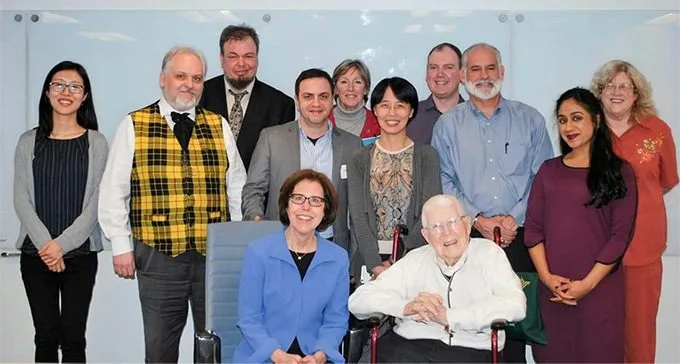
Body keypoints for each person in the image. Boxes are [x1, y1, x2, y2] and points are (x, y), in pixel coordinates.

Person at [98, 46, 246, 362]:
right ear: (162, 78)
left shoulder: (219, 125)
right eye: (181, 76)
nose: (188, 84)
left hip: (214, 258)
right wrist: (121, 245)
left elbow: (237, 189)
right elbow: (114, 190)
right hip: (158, 256)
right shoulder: (134, 124)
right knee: (160, 348)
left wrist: (236, 248)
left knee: (215, 347)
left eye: (196, 78)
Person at [430, 42, 553, 362]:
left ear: (502, 72)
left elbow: (543, 179)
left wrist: (514, 218)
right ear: (463, 75)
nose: (483, 76)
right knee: (469, 323)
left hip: (521, 237)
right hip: (468, 239)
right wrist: (477, 219)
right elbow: (443, 181)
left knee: (515, 326)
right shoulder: (448, 125)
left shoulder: (531, 119)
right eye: (475, 69)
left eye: (490, 68)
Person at [524, 87, 638, 363]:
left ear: (596, 120)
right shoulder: (548, 171)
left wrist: (586, 285)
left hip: (600, 292)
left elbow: (620, 236)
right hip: (553, 291)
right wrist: (548, 278)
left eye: (577, 118)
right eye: (562, 120)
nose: (568, 127)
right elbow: (533, 230)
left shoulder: (619, 172)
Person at [349, 194, 526, 363]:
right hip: (410, 345)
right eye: (436, 227)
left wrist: (450, 317)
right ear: (426, 236)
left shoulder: (489, 254)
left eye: (452, 222)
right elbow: (358, 301)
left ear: (466, 224)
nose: (447, 233)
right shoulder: (415, 259)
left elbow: (515, 305)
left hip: (471, 347)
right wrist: (405, 306)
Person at [13, 60, 108, 363]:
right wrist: (47, 246)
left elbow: (96, 202)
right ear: (47, 91)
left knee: (73, 339)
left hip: (80, 256)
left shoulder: (96, 142)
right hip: (36, 255)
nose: (66, 92)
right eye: (59, 85)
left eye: (75, 87)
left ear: (85, 96)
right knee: (44, 337)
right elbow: (21, 199)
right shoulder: (29, 141)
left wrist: (62, 245)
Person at [591, 60, 678, 363]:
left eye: (624, 86)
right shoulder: (587, 129)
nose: (616, 92)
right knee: (598, 332)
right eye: (609, 86)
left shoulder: (658, 131)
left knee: (640, 334)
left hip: (643, 248)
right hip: (594, 249)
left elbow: (666, 181)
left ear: (636, 93)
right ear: (599, 93)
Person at [234, 169, 349, 364]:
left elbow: (336, 321)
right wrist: (278, 356)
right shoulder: (259, 253)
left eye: (315, 200)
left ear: (325, 210)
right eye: (298, 198)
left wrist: (320, 355)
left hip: (314, 357)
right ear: (287, 205)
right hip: (265, 357)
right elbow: (249, 319)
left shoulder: (338, 258)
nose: (306, 207)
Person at [242, 68, 361, 251]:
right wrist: (258, 223)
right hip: (280, 243)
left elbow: (358, 208)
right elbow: (253, 190)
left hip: (332, 247)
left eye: (323, 96)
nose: (316, 103)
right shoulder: (271, 138)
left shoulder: (353, 145)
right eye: (308, 96)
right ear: (297, 101)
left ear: (332, 100)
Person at [348, 76, 442, 282]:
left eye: (400, 106)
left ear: (412, 111)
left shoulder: (427, 156)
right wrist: (375, 264)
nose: (392, 113)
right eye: (384, 105)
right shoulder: (360, 158)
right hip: (369, 259)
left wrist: (399, 260)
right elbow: (358, 217)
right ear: (374, 110)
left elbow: (430, 213)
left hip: (417, 257)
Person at [200, 24, 296, 170]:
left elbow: (279, 166)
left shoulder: (281, 105)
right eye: (233, 56)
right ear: (221, 59)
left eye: (248, 56)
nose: (241, 63)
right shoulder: (198, 96)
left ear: (257, 58)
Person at [406, 42, 465, 144]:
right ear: (426, 74)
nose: (440, 74)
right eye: (434, 67)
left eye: (448, 67)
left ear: (462, 74)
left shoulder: (477, 118)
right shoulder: (408, 117)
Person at [329, 59, 380, 141]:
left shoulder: (379, 124)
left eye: (357, 82)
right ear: (335, 89)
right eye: (344, 82)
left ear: (366, 89)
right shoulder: (322, 119)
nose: (350, 88)